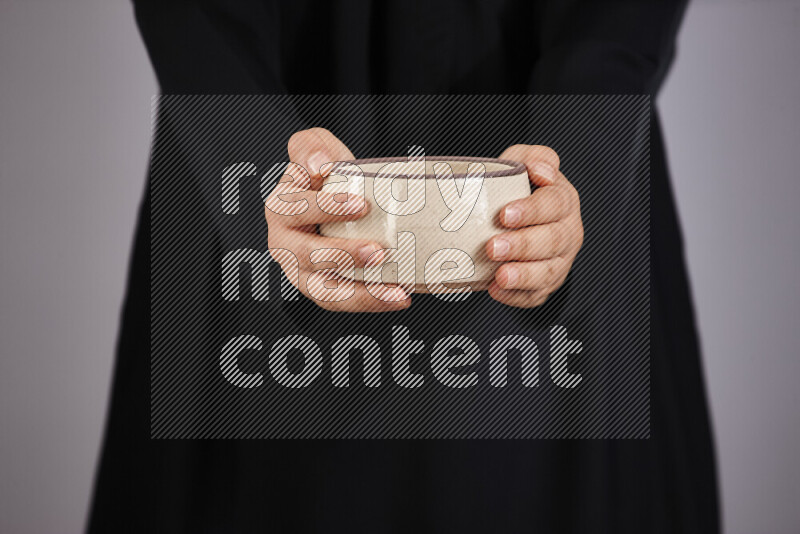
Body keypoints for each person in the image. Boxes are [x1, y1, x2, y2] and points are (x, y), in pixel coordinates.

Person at [89, 1, 719, 532]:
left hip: (559, 169)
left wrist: (577, 159)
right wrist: (248, 152)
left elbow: (617, 18)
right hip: (262, 141)